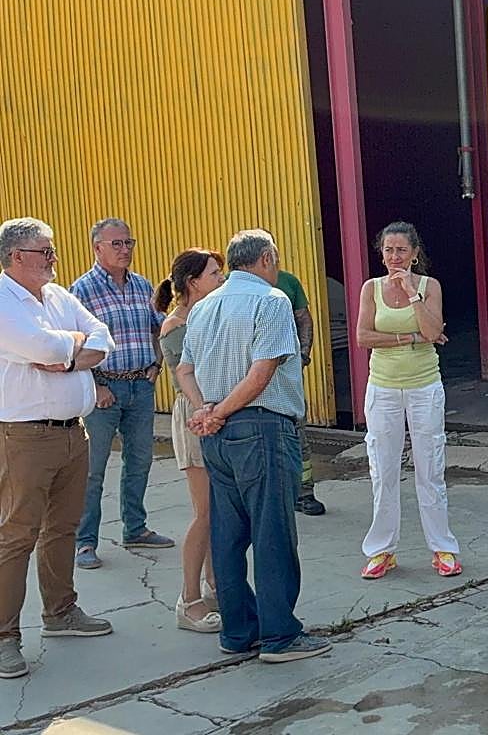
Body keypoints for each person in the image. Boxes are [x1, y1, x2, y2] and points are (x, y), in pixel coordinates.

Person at [175, 230, 331, 663]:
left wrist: (206, 410)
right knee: (272, 531)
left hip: (217, 435)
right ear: (266, 259)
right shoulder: (271, 300)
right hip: (261, 427)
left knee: (227, 534)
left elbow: (184, 369)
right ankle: (280, 635)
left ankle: (238, 630)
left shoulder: (204, 307)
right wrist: (221, 410)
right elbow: (262, 373)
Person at [0, 218, 115, 679]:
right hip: (24, 436)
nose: (54, 259)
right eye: (44, 251)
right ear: (16, 257)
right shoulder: (4, 301)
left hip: (72, 432)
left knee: (63, 526)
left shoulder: (57, 296)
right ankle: (4, 637)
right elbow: (42, 347)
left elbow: (102, 337)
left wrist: (67, 357)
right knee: (16, 535)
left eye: (51, 250)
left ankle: (61, 612)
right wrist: (71, 347)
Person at [355, 221, 461, 580]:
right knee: (382, 469)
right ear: (381, 253)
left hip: (423, 386)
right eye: (388, 250)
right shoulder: (371, 288)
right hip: (383, 387)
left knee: (430, 468)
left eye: (401, 250)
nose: (394, 257)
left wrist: (412, 294)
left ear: (415, 253)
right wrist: (409, 337)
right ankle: (381, 551)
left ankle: (443, 547)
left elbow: (433, 331)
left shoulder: (430, 286)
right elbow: (363, 336)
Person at [71, 218, 173, 570]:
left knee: (140, 461)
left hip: (140, 387)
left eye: (129, 242)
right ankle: (85, 541)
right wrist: (95, 385)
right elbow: (74, 346)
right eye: (116, 243)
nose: (125, 249)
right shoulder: (81, 291)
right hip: (104, 390)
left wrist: (156, 366)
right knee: (92, 469)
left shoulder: (142, 285)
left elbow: (160, 330)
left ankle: (135, 528)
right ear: (97, 248)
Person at [155, 249, 226, 634]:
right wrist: (206, 411)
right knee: (204, 511)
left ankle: (215, 585)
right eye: (214, 273)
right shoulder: (176, 325)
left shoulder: (208, 313)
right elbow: (190, 374)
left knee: (219, 509)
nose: (221, 278)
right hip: (196, 415)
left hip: (215, 411)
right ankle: (189, 599)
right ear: (192, 282)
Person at [275, 268, 325, 517]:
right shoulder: (230, 284)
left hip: (286, 372)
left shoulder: (288, 282)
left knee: (297, 429)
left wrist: (303, 354)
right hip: (248, 375)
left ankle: (304, 492)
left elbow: (304, 318)